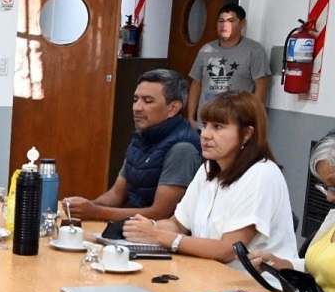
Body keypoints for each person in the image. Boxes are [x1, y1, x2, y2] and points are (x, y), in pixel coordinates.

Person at [122, 91, 297, 273]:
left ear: (246, 134)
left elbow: (228, 250)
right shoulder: (209, 168)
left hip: (257, 288)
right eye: (205, 125)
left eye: (218, 127)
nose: (205, 134)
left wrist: (160, 236)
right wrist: (147, 227)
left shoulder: (262, 174)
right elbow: (177, 224)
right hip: (209, 276)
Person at [63, 69, 202, 221]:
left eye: (148, 101)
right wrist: (83, 207)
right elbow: (116, 195)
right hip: (131, 226)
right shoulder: (143, 134)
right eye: (136, 100)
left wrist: (94, 212)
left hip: (157, 235)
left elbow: (160, 213)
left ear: (173, 108)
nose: (137, 107)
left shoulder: (183, 148)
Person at [249, 133, 335, 292]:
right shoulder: (333, 219)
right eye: (326, 187)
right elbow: (323, 266)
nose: (329, 198)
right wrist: (279, 263)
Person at [186, 4, 271, 129]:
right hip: (205, 123)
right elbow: (196, 83)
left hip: (235, 124)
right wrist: (191, 117)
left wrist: (252, 118)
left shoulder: (254, 50)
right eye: (221, 21)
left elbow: (261, 86)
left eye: (231, 21)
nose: (224, 25)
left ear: (242, 24)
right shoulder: (206, 50)